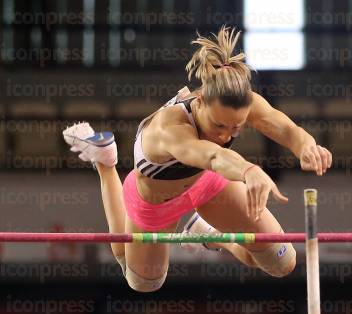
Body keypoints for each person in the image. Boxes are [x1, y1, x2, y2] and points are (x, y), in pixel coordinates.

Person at [62, 26, 332, 292]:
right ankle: (106, 163)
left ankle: (209, 235)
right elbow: (212, 156)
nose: (226, 135)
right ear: (200, 101)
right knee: (143, 281)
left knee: (281, 263)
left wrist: (307, 147)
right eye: (219, 126)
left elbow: (285, 128)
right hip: (156, 201)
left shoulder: (240, 102)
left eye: (236, 128)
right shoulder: (169, 127)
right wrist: (249, 171)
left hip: (208, 184)